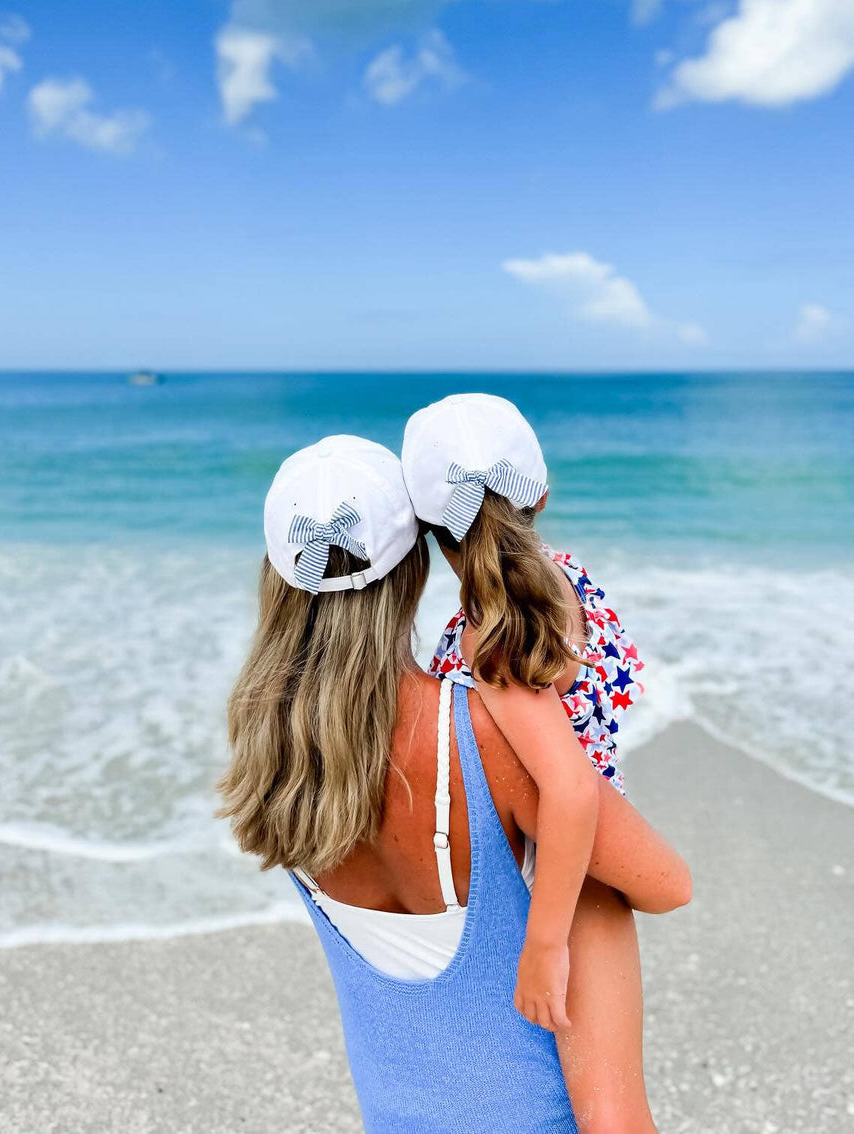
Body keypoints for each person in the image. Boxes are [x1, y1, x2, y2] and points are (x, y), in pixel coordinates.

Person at [218, 434, 690, 1134]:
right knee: (598, 889)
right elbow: (666, 884)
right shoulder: (482, 733)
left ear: (275, 574)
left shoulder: (276, 761)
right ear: (416, 568)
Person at [402, 393, 658, 1130]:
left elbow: (571, 794)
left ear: (424, 531)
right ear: (542, 491)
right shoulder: (563, 579)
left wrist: (542, 946)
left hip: (567, 887)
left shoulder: (492, 634)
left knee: (607, 1116)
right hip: (588, 878)